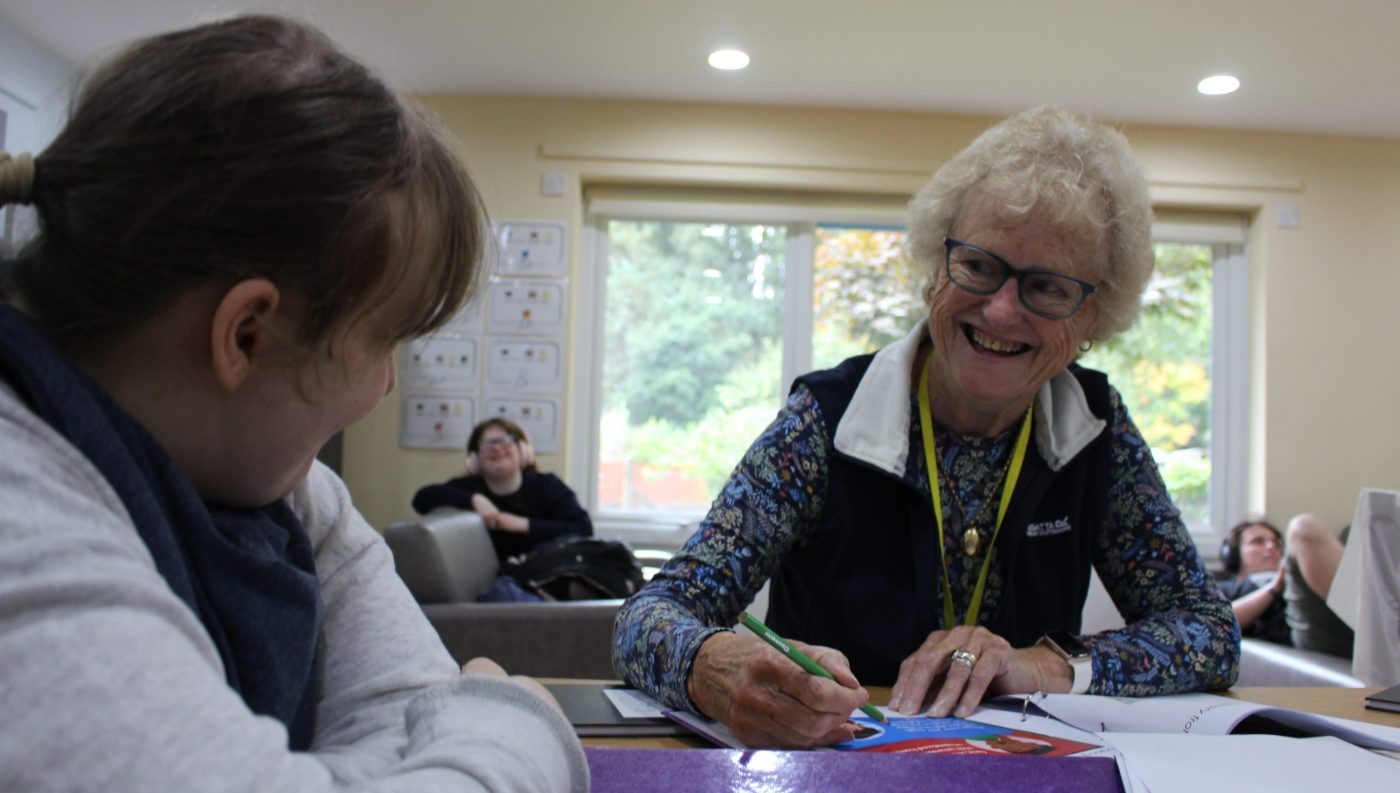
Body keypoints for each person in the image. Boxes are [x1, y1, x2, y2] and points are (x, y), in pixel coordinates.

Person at [0, 15, 586, 792]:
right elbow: (426, 726)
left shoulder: (289, 491)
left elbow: (406, 706)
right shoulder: (21, 519)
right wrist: (516, 719)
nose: (383, 389)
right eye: (385, 343)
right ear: (246, 334)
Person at [612, 105, 1239, 749]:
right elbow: (645, 618)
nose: (999, 310)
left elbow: (1209, 632)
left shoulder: (1097, 428)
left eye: (1046, 288)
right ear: (936, 268)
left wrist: (1042, 665)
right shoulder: (825, 421)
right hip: (832, 768)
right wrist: (711, 665)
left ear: (1091, 319)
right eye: (979, 265)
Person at [413, 417, 593, 566]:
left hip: (546, 574)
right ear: (474, 459)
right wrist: (474, 499)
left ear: (523, 451)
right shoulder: (468, 488)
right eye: (487, 444)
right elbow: (421, 499)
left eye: (505, 441)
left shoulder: (547, 485)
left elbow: (583, 528)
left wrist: (520, 524)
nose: (497, 449)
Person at [1218, 515, 1353, 657]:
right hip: (1306, 628)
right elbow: (1212, 624)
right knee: (1303, 527)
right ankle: (1370, 620)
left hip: (1337, 608)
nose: (1271, 546)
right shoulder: (1226, 588)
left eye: (1275, 543)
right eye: (1258, 542)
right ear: (1233, 554)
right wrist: (1274, 587)